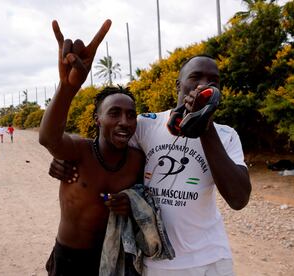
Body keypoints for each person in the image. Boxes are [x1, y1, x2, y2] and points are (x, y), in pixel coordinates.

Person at [49, 55, 252, 276]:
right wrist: (66, 158)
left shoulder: (226, 135)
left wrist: (205, 126)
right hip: (157, 262)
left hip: (211, 259)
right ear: (178, 85)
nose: (204, 85)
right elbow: (105, 145)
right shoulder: (147, 124)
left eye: (213, 80)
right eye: (195, 77)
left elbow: (238, 199)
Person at [38, 19, 146, 276]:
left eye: (131, 115)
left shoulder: (137, 161)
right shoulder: (79, 151)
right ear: (98, 119)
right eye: (115, 113)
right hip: (70, 260)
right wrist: (68, 88)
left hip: (116, 259)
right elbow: (48, 138)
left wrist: (131, 205)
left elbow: (150, 202)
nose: (124, 121)